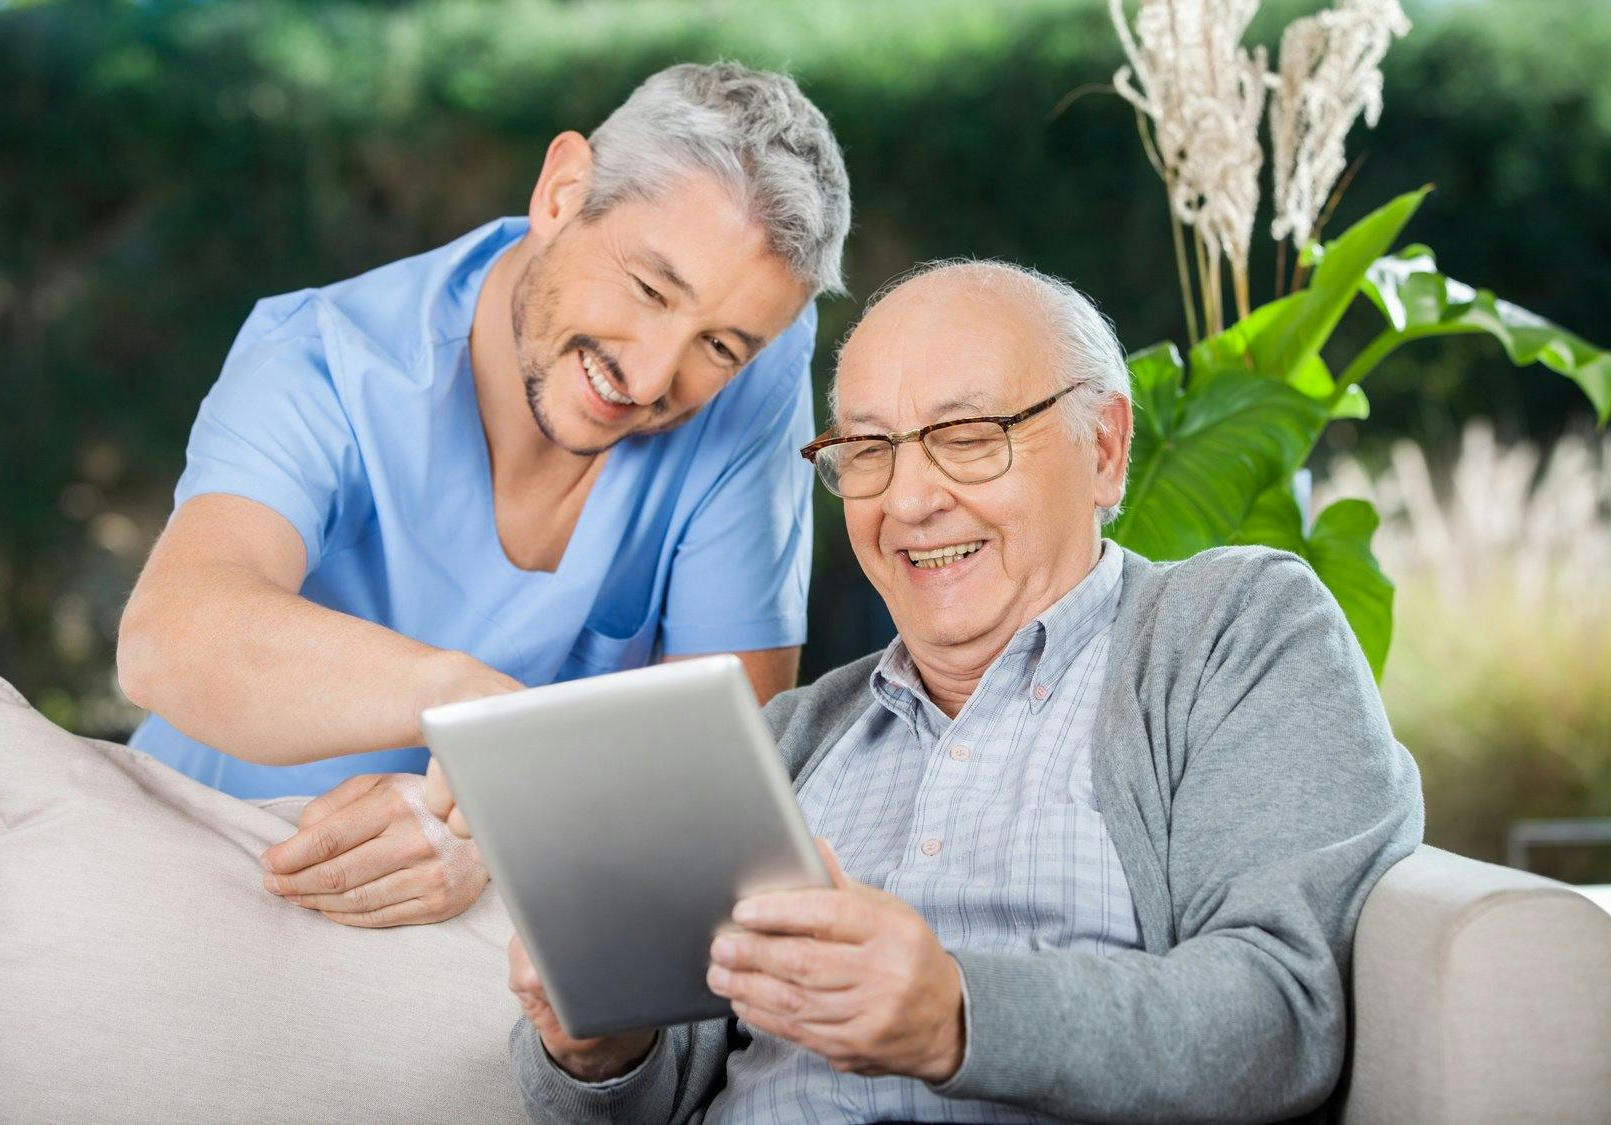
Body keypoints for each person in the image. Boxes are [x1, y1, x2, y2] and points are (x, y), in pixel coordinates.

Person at [444, 260, 1424, 1121]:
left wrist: (954, 1016)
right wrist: (597, 1047)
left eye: (966, 435)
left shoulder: (1227, 633)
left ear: (1103, 449)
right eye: (866, 451)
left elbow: (1276, 1019)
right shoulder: (791, 740)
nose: (906, 501)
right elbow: (652, 1098)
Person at [115, 61, 851, 929]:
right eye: (650, 289)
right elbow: (169, 638)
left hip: (481, 930)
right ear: (562, 191)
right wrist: (474, 711)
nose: (653, 375)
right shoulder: (323, 358)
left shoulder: (753, 363)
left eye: (720, 346)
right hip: (214, 868)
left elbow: (724, 753)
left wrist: (506, 823)